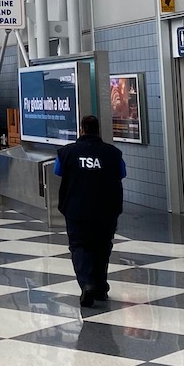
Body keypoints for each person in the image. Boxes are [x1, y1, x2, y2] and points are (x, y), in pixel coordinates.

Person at [54, 114, 125, 308]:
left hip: (76, 209)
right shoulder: (113, 153)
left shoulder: (66, 152)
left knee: (79, 246)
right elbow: (123, 173)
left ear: (81, 129)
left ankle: (86, 284)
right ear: (98, 130)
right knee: (102, 246)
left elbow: (57, 171)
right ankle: (100, 287)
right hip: (106, 209)